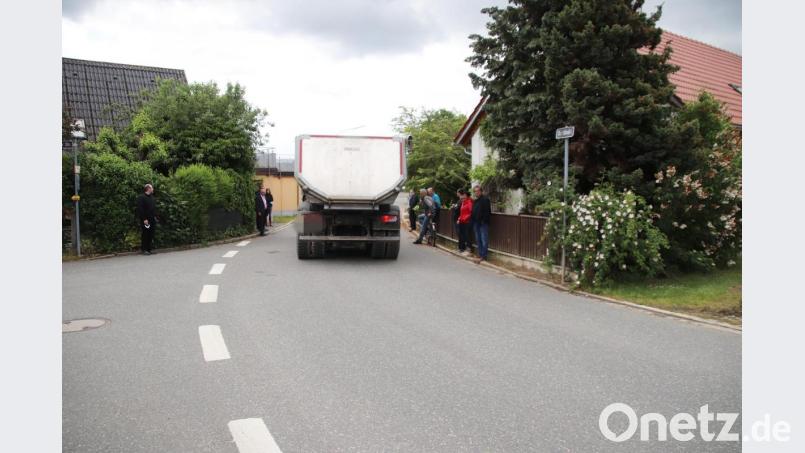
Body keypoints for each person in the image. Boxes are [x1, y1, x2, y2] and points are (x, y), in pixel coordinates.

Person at [471, 185, 491, 263]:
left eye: (478, 191)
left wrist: (483, 221)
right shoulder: (476, 201)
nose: (476, 192)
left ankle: (484, 256)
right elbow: (473, 211)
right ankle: (480, 254)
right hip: (476, 223)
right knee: (478, 239)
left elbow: (487, 212)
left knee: (484, 240)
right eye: (475, 191)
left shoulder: (485, 199)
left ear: (481, 191)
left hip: (483, 223)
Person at [136, 184, 157, 255]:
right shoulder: (141, 197)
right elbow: (140, 209)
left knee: (151, 234)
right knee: (145, 234)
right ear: (148, 188)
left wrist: (155, 217)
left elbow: (153, 209)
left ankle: (149, 249)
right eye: (152, 188)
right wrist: (144, 219)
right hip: (145, 220)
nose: (153, 189)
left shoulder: (152, 198)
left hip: (152, 219)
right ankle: (144, 249)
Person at [456, 189, 474, 255]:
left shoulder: (469, 202)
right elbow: (461, 213)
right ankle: (461, 248)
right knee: (461, 235)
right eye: (462, 196)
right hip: (461, 221)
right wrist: (459, 218)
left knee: (467, 236)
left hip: (467, 222)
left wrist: (465, 218)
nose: (462, 197)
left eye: (464, 196)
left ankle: (468, 250)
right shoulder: (463, 202)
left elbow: (471, 212)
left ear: (466, 196)